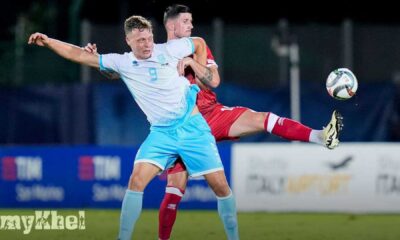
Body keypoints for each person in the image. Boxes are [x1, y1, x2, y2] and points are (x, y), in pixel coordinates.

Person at [84, 5, 343, 240]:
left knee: (264, 119)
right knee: (174, 190)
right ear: (172, 26)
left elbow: (214, 80)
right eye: (186, 22)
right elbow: (121, 71)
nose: (191, 26)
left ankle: (319, 137)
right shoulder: (153, 52)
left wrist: (190, 63)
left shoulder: (193, 48)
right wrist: (100, 64)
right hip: (178, 127)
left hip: (208, 114)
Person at [28, 15, 240, 240]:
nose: (147, 44)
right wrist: (49, 41)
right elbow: (78, 54)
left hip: (192, 127)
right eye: (140, 41)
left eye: (149, 38)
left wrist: (198, 65)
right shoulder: (123, 62)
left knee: (220, 187)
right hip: (161, 133)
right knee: (136, 180)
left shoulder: (169, 50)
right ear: (128, 40)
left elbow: (198, 42)